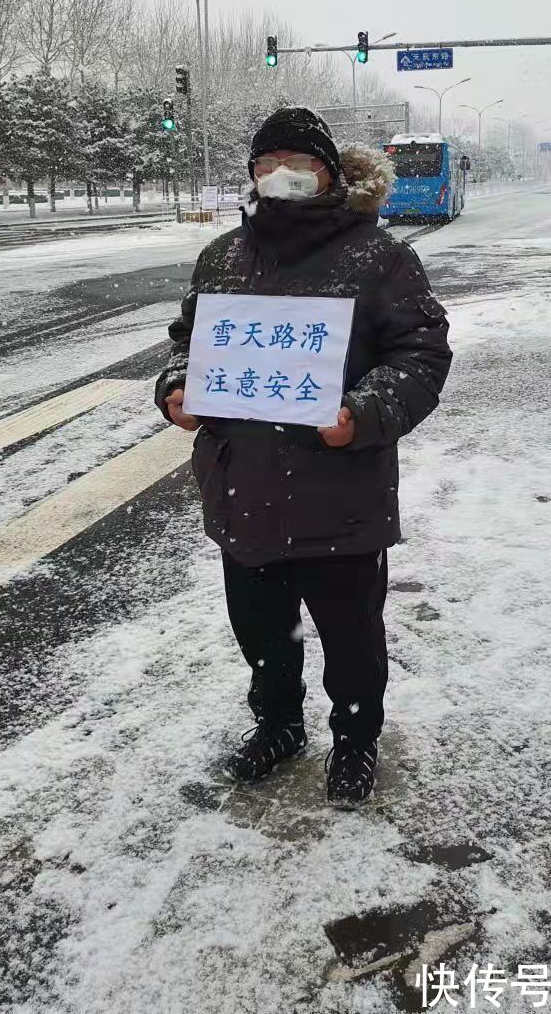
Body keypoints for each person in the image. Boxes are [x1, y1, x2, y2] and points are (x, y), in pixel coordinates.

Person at [155, 107, 452, 808]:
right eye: (266, 164)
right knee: (263, 633)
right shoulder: (224, 256)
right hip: (243, 488)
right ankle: (280, 724)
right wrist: (175, 389)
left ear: (329, 172)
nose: (281, 176)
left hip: (339, 491)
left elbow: (422, 352)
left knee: (352, 640)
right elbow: (186, 343)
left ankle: (355, 740)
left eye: (299, 162)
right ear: (252, 175)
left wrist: (365, 412)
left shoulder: (378, 257)